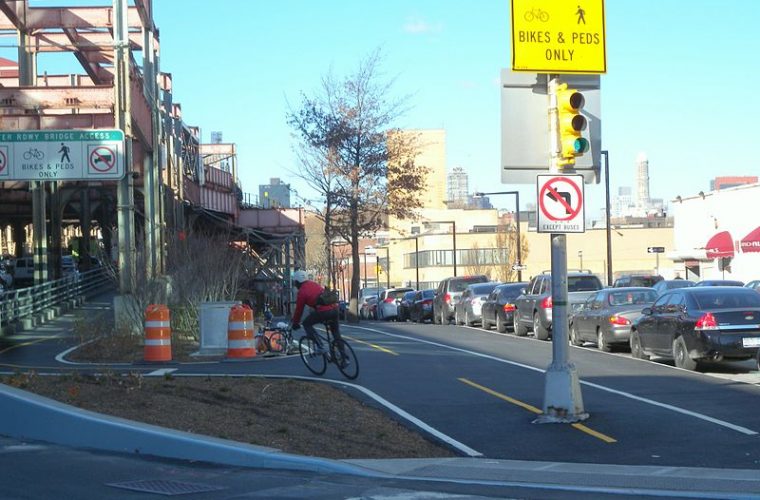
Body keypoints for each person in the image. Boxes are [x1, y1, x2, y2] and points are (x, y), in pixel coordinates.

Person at [290, 270, 344, 357]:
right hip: (334, 309)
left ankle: (320, 346)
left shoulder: (302, 292)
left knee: (306, 324)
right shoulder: (314, 284)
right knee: (336, 333)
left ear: (297, 282)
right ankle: (344, 357)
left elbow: (299, 310)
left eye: (295, 283)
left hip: (323, 311)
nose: (295, 285)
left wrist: (295, 323)